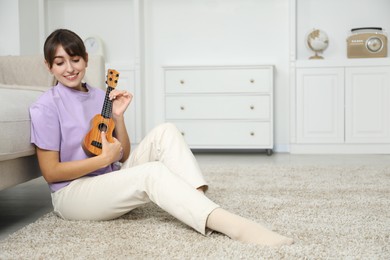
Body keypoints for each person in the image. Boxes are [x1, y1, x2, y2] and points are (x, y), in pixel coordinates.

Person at [29, 28, 293, 248]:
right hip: (73, 194)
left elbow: (123, 154)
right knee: (151, 173)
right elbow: (51, 173)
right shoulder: (46, 107)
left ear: (86, 59)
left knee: (165, 130)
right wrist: (104, 161)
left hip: (108, 179)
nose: (70, 69)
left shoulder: (100, 96)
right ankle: (234, 226)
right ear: (48, 66)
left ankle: (199, 203)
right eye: (60, 62)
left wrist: (118, 118)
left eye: (75, 60)